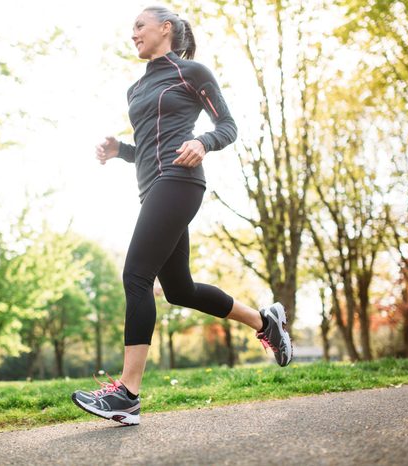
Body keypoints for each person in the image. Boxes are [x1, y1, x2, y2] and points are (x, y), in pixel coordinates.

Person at [71, 5, 293, 426]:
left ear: (165, 28)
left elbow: (227, 125)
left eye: (139, 26)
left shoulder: (191, 72)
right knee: (179, 290)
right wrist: (122, 151)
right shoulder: (135, 89)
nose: (133, 34)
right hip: (152, 187)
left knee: (136, 275)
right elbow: (152, 150)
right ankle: (265, 320)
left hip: (181, 182)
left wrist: (204, 142)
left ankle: (127, 395)